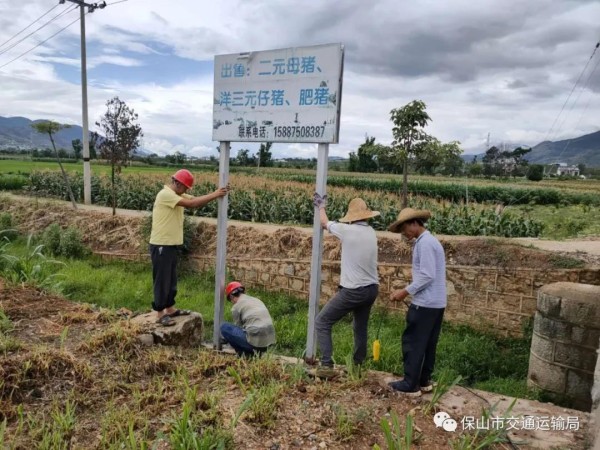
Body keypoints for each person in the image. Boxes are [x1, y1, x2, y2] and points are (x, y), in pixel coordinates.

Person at [312, 194, 380, 378]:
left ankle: (326, 365)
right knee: (360, 327)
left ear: (352, 219)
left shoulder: (347, 230)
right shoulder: (371, 232)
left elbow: (325, 223)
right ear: (366, 216)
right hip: (372, 289)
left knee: (322, 322)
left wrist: (321, 206)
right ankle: (358, 366)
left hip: (354, 290)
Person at [150, 169, 229, 326]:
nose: (186, 190)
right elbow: (192, 204)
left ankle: (170, 309)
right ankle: (159, 314)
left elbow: (195, 199)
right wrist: (216, 194)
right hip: (161, 244)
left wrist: (216, 193)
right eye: (185, 187)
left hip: (170, 244)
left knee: (171, 278)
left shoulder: (177, 194)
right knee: (162, 279)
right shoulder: (165, 195)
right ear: (177, 183)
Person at [387, 208, 447, 396]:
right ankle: (423, 381)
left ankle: (410, 384)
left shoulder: (425, 244)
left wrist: (404, 292)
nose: (404, 233)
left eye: (405, 227)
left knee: (413, 341)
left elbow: (427, 276)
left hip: (425, 303)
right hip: (436, 303)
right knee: (428, 343)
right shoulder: (430, 241)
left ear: (414, 223)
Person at [220, 281, 276, 357]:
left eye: (230, 300)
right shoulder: (256, 300)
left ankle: (244, 354)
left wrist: (227, 339)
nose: (232, 302)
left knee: (224, 327)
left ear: (231, 297)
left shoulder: (236, 307)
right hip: (267, 344)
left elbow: (239, 327)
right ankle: (254, 353)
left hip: (254, 345)